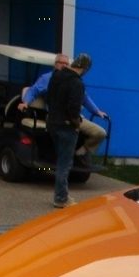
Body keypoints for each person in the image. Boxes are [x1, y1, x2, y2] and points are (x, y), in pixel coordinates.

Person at [19, 53, 108, 160]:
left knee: (100, 133)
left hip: (74, 117)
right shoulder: (48, 78)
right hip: (57, 118)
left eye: (66, 63)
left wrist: (96, 111)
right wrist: (26, 102)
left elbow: (85, 98)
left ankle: (81, 154)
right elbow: (33, 91)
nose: (64, 65)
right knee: (64, 148)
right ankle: (57, 164)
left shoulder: (75, 82)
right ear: (55, 64)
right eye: (61, 63)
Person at [46, 53, 92, 208]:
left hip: (52, 122)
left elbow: (49, 98)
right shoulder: (77, 83)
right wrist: (77, 123)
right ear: (84, 68)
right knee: (64, 163)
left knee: (60, 159)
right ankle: (61, 198)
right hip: (66, 126)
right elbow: (73, 108)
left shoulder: (56, 76)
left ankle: (62, 193)